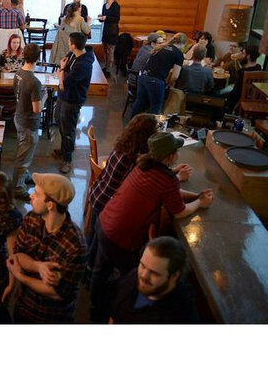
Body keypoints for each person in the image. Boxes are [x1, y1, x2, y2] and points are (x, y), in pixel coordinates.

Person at [89, 132, 213, 323]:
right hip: (121, 238)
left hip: (105, 221)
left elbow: (170, 191)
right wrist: (200, 204)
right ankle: (124, 311)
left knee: (100, 270)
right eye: (176, 151)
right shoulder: (166, 179)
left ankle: (94, 308)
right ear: (169, 156)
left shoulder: (143, 165)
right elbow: (179, 211)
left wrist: (196, 196)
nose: (178, 154)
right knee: (135, 278)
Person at [84, 114, 192, 283]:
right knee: (96, 247)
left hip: (98, 193)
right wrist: (177, 177)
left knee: (93, 241)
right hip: (108, 202)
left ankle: (86, 271)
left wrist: (173, 171)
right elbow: (150, 183)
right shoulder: (135, 158)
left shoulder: (124, 145)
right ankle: (90, 274)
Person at [6, 173, 86, 324]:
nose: (31, 196)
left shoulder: (75, 246)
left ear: (50, 205)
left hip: (50, 316)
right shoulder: (31, 218)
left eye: (36, 193)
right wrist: (38, 266)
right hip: (23, 305)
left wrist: (21, 277)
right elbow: (18, 254)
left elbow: (58, 293)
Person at [110, 236, 199, 324]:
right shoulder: (134, 275)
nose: (143, 275)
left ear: (174, 276)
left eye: (154, 273)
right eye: (142, 265)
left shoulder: (179, 318)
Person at [53, 32, 95, 174]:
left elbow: (63, 84)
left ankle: (67, 159)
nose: (68, 43)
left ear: (73, 45)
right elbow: (63, 71)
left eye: (69, 42)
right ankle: (64, 149)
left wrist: (62, 70)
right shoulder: (72, 54)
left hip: (72, 99)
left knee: (68, 129)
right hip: (63, 97)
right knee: (59, 121)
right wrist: (62, 72)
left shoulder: (83, 65)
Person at [11, 42, 44, 199]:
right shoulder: (34, 82)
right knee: (23, 157)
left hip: (18, 116)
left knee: (22, 149)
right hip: (28, 123)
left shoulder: (18, 73)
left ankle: (25, 175)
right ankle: (17, 187)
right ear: (38, 58)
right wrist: (44, 96)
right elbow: (37, 109)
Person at [130, 35, 184, 117]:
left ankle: (133, 122)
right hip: (155, 80)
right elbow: (175, 76)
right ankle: (151, 124)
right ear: (182, 44)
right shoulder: (178, 53)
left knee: (139, 103)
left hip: (143, 76)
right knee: (155, 107)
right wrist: (168, 84)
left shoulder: (161, 47)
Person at [226, 43, 262, 111]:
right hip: (250, 98)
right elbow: (240, 71)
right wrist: (236, 60)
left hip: (237, 100)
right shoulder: (258, 67)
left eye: (243, 53)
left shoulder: (244, 73)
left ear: (248, 56)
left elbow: (235, 92)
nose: (241, 54)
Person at [98, 0, 120, 78]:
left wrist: (106, 17)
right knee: (104, 50)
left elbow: (116, 19)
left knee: (110, 51)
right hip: (106, 30)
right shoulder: (104, 5)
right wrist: (101, 18)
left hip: (113, 31)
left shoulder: (115, 5)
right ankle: (105, 66)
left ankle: (108, 70)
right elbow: (104, 18)